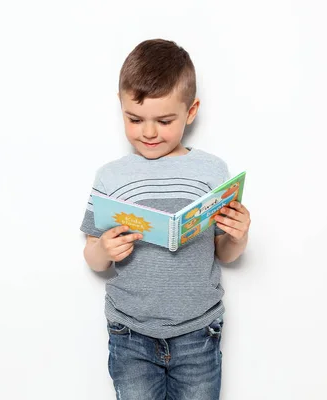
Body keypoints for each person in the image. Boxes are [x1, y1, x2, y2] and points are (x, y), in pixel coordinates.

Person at [80, 39, 251, 400]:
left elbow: (226, 253)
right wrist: (104, 248)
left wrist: (237, 236)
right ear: (121, 107)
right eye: (134, 119)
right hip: (131, 334)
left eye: (165, 120)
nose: (149, 132)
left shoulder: (211, 170)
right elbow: (93, 259)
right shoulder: (110, 177)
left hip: (198, 332)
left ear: (191, 112)